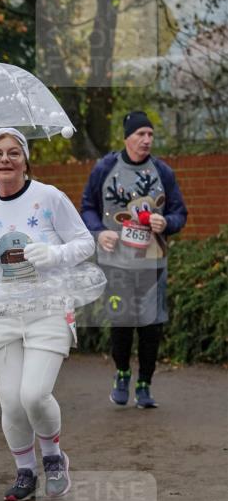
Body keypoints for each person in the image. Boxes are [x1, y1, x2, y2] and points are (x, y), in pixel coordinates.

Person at [0, 127, 95, 501]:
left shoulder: (48, 197)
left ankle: (52, 457)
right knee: (12, 402)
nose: (5, 159)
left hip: (47, 308)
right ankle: (25, 471)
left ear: (26, 160)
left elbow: (85, 242)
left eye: (13, 152)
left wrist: (55, 255)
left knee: (34, 394)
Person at [80, 111, 187, 408]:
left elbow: (180, 212)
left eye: (151, 134)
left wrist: (167, 223)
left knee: (152, 327)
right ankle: (123, 373)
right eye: (141, 134)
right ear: (126, 137)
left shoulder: (162, 172)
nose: (147, 140)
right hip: (116, 263)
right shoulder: (105, 168)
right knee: (122, 323)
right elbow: (87, 207)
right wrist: (99, 232)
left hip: (153, 264)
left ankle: (145, 384)